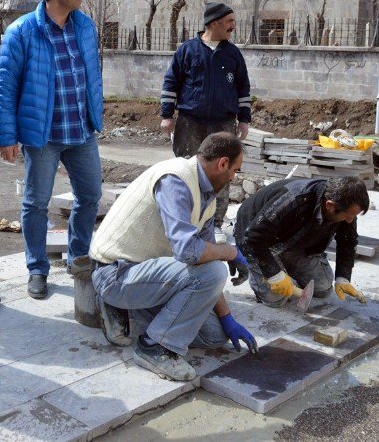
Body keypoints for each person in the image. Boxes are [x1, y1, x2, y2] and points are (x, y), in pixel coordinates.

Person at [90, 132, 257, 382]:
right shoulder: (175, 180)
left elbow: (205, 262)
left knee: (214, 335)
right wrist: (230, 252)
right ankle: (153, 348)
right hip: (114, 272)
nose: (234, 177)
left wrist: (227, 318)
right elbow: (188, 251)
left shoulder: (207, 198)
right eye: (235, 170)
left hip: (146, 273)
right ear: (222, 163)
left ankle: (133, 311)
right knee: (214, 272)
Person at [0, 0, 103, 300]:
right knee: (36, 204)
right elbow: (4, 88)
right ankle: (37, 268)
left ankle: (78, 256)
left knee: (90, 197)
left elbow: (91, 75)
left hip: (81, 132)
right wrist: (7, 136)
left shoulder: (84, 26)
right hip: (43, 136)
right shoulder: (22, 31)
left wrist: (96, 113)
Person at [159, 2, 251, 224]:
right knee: (186, 170)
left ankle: (215, 223)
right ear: (214, 23)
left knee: (223, 173)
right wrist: (167, 115)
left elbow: (243, 88)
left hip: (223, 124)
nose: (233, 26)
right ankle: (185, 220)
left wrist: (244, 120)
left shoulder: (233, 54)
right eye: (229, 21)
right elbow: (171, 83)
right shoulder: (187, 50)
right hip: (190, 122)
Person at [233, 176, 370, 307]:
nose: (350, 221)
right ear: (330, 205)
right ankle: (247, 262)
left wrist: (343, 277)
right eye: (347, 216)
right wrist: (273, 274)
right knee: (276, 299)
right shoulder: (294, 200)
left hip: (291, 238)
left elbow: (347, 240)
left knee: (322, 288)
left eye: (353, 216)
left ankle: (285, 262)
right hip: (255, 237)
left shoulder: (345, 205)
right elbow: (254, 236)